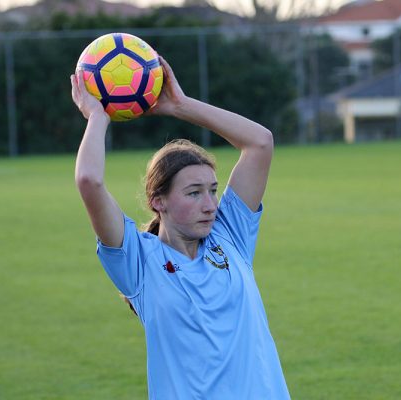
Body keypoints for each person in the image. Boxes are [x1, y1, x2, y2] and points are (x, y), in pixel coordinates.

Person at [70, 56, 290, 399]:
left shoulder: (229, 234)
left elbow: (260, 143)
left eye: (212, 190)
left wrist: (181, 106)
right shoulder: (138, 261)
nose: (210, 204)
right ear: (159, 201)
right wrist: (98, 118)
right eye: (194, 193)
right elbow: (88, 180)